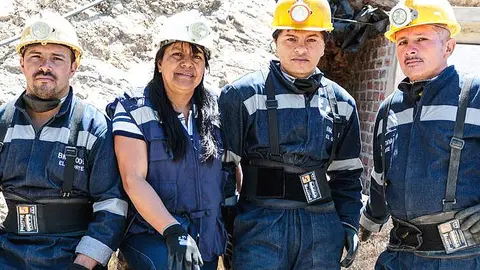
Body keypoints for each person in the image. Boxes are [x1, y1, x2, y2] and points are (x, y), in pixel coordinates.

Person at [218, 0, 364, 269]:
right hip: (259, 227)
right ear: (275, 42)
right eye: (290, 38)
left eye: (311, 39)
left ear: (324, 44)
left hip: (321, 230)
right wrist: (227, 224)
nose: (300, 48)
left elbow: (348, 174)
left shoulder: (342, 102)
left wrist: (347, 223)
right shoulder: (242, 95)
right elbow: (223, 168)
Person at [0, 11, 127, 269]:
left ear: (73, 67)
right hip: (8, 250)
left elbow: (112, 205)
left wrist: (85, 261)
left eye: (57, 58)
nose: (45, 66)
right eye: (35, 57)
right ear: (22, 63)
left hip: (71, 253)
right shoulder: (4, 123)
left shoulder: (93, 127)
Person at [359, 0, 480, 269]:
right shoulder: (389, 107)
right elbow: (380, 178)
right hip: (398, 255)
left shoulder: (474, 96)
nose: (410, 49)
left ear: (448, 46)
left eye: (422, 39)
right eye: (402, 42)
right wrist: (367, 222)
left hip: (461, 258)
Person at [106, 10, 227, 270]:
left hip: (205, 240)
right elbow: (133, 179)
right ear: (159, 62)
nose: (187, 63)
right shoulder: (134, 108)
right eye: (177, 55)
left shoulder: (217, 112)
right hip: (153, 236)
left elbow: (231, 174)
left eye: (197, 56)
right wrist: (173, 231)